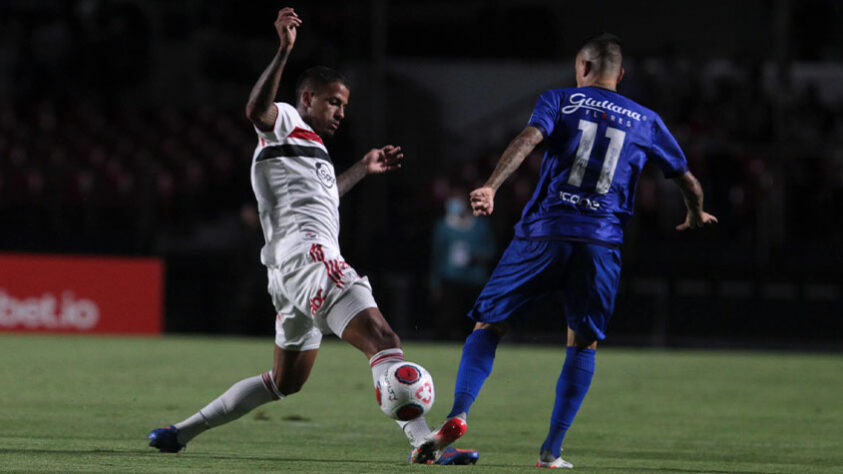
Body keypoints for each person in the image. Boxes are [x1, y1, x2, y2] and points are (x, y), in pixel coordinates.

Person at [146, 8, 478, 465]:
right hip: (311, 259)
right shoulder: (284, 118)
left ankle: (179, 433)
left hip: (286, 275)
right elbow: (255, 110)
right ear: (307, 97)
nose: (342, 112)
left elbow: (325, 198)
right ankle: (424, 442)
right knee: (383, 337)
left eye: (344, 105)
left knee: (286, 382)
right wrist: (283, 51)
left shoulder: (310, 149)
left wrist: (363, 167)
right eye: (334, 102)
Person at [416, 33, 718, 468]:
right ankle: (551, 452)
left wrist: (490, 186)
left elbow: (528, 139)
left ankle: (459, 414)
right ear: (621, 75)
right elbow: (687, 179)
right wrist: (696, 212)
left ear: (583, 68)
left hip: (543, 234)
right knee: (583, 343)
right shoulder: (646, 119)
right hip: (600, 245)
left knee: (488, 325)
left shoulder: (561, 99)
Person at [429, 190, 495, 340]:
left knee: (473, 321)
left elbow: (491, 249)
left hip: (475, 279)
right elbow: (437, 256)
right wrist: (435, 282)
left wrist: (479, 256)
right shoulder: (443, 226)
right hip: (451, 278)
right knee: (447, 317)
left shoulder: (480, 225)